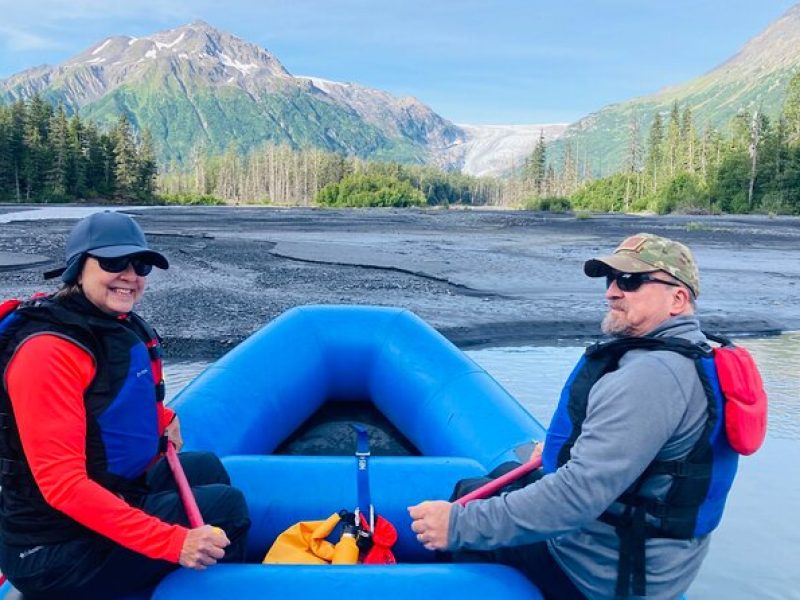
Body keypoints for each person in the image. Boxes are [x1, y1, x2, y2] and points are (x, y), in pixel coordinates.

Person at [409, 233, 740, 599]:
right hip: (646, 558)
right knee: (498, 480)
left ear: (677, 299)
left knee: (465, 505)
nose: (612, 292)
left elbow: (576, 498)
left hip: (600, 574)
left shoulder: (652, 377)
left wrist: (457, 525)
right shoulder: (693, 354)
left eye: (630, 281)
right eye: (610, 279)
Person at [0, 211, 251, 599]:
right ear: (77, 268)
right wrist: (174, 543)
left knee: (206, 467)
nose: (131, 275)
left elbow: (111, 402)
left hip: (111, 493)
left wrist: (165, 418)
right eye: (113, 262)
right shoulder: (48, 352)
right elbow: (64, 487)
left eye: (140, 264)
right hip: (54, 548)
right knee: (227, 508)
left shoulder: (103, 321)